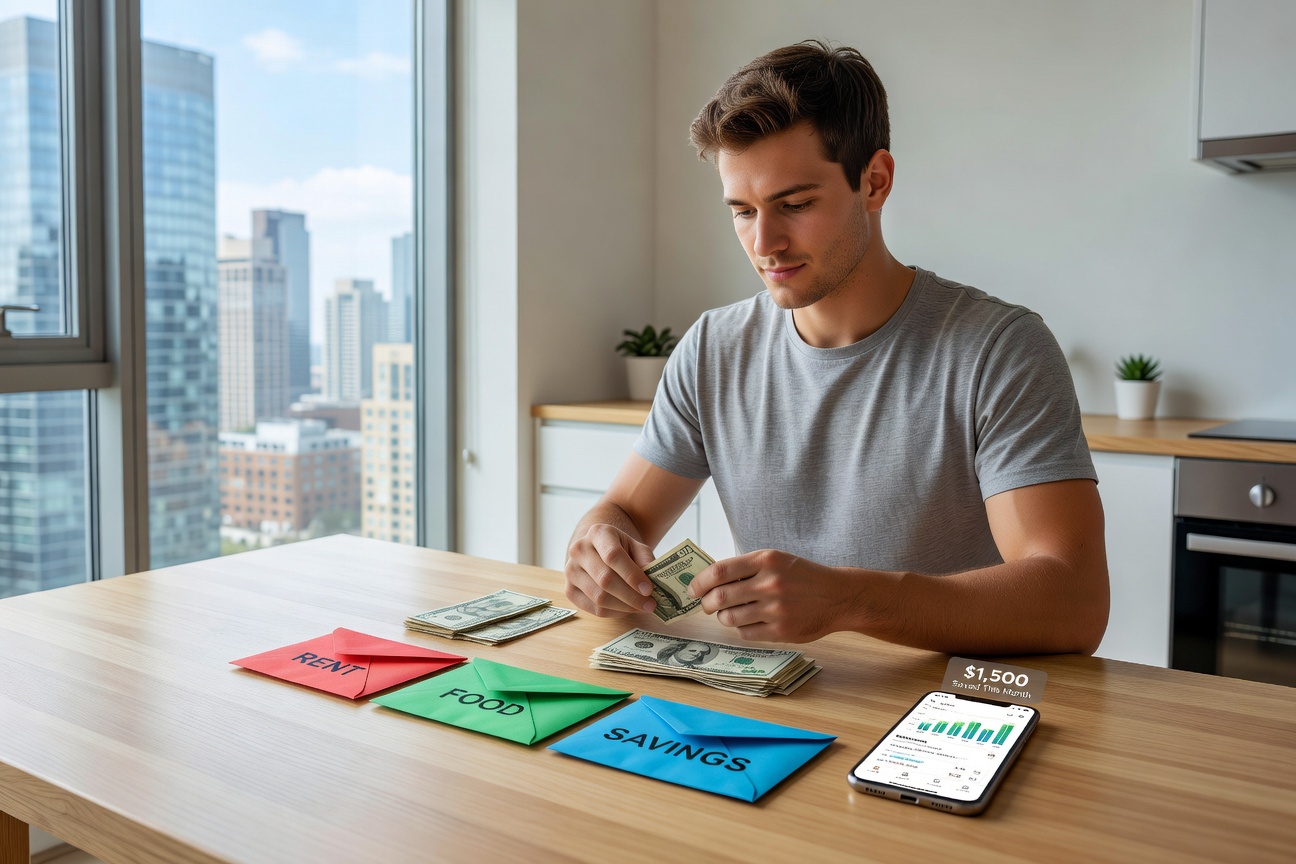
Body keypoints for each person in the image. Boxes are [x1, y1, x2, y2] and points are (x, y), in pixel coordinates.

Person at [563, 39, 1108, 656]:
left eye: (794, 205)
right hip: (779, 706)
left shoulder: (999, 350)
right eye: (741, 211)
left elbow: (1073, 603)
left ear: (874, 182)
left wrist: (849, 601)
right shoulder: (713, 348)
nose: (764, 242)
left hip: (937, 715)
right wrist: (598, 540)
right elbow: (622, 513)